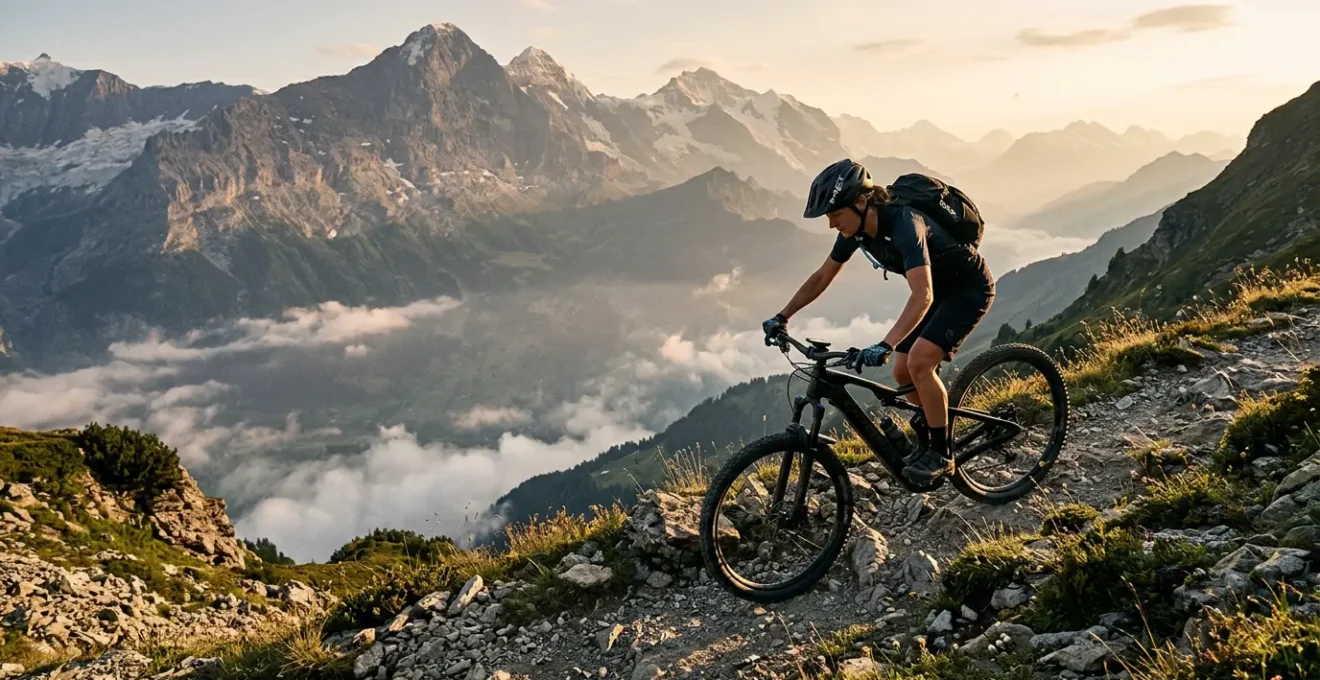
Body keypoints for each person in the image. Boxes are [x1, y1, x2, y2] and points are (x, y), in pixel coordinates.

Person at [762, 159, 995, 485]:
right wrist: (782, 316)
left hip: (967, 289)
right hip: (936, 289)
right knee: (902, 371)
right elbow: (822, 277)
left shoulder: (904, 223)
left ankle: (943, 454)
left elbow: (922, 294)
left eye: (834, 215)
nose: (831, 225)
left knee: (920, 362)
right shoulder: (856, 231)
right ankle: (930, 432)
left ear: (860, 203)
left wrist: (886, 344)